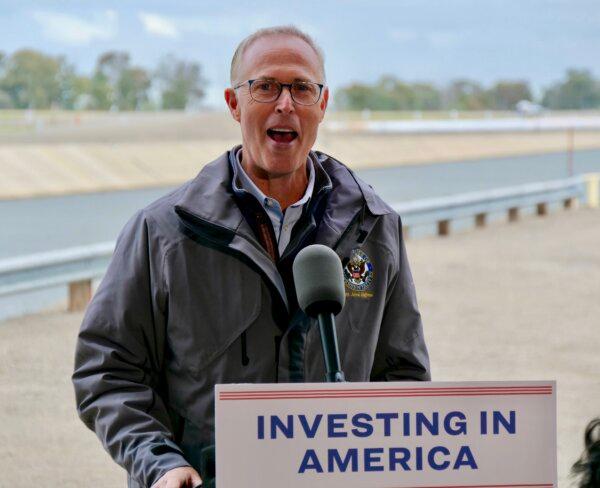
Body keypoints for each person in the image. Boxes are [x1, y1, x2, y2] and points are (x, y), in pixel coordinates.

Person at [72, 25, 430, 488]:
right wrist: (159, 462)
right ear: (233, 103)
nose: (285, 103)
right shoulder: (160, 232)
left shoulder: (375, 228)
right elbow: (108, 370)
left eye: (302, 88)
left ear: (322, 105)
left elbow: (404, 376)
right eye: (265, 86)